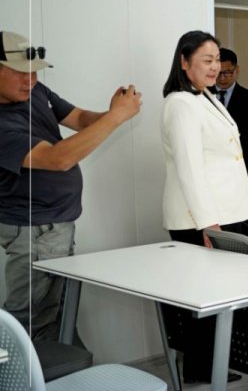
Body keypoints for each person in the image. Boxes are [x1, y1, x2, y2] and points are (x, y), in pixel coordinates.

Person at [0, 31, 142, 341]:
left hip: (53, 227)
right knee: (30, 324)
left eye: (35, 72)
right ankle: (23, 375)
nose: (30, 80)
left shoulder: (34, 91)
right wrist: (116, 118)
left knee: (59, 315)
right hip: (35, 230)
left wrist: (113, 112)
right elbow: (58, 158)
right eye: (21, 73)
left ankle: (67, 370)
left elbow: (80, 119)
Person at [161, 30, 248, 382]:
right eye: (207, 60)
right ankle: (202, 368)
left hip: (227, 210)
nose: (215, 67)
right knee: (203, 294)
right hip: (203, 217)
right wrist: (208, 223)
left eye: (217, 60)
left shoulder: (203, 96)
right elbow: (189, 168)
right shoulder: (180, 103)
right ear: (184, 62)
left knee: (220, 292)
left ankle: (213, 363)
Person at [210, 47, 248, 187]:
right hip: (211, 169)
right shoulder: (203, 96)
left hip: (241, 169)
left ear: (237, 70)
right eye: (218, 73)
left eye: (227, 73)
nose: (222, 78)